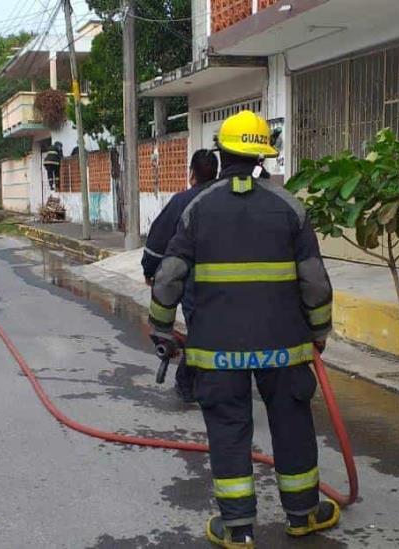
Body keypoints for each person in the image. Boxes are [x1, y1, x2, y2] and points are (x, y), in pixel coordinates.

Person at [148, 110, 337, 547]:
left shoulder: (198, 206)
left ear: (222, 153)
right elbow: (314, 280)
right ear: (262, 156)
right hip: (284, 348)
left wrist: (161, 327)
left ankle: (238, 529)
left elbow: (170, 274)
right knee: (292, 424)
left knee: (229, 430)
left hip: (217, 351)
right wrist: (319, 330)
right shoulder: (289, 206)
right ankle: (302, 515)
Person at [142, 149, 219, 403]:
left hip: (194, 282)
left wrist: (149, 270)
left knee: (199, 331)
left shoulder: (182, 201)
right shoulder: (226, 198)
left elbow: (158, 238)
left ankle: (187, 384)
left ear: (191, 174)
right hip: (231, 283)